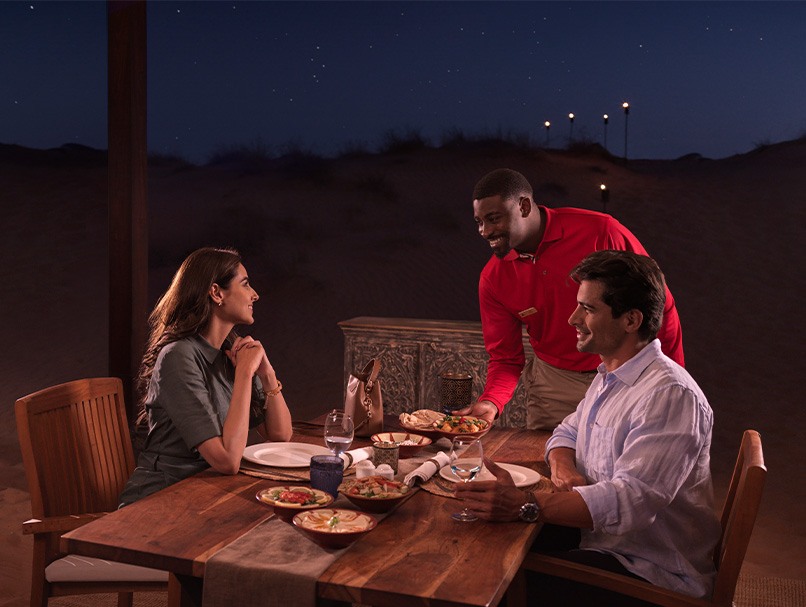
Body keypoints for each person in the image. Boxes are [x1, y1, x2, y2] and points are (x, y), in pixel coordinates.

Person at [455, 250, 719, 603]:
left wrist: (525, 504)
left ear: (631, 320)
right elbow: (566, 431)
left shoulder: (670, 395)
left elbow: (631, 502)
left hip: (651, 574)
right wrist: (564, 470)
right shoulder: (612, 373)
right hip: (601, 541)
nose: (572, 318)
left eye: (588, 309)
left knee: (489, 584)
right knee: (482, 543)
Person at [458, 168, 684, 430]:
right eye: (479, 222)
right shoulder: (493, 278)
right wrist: (492, 402)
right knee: (548, 467)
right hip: (553, 388)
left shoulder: (602, 232)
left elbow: (661, 308)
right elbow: (505, 358)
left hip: (625, 377)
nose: (485, 231)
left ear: (523, 205)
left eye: (493, 218)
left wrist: (672, 380)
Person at [119, 247, 293, 506]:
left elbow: (280, 435)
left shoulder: (228, 352)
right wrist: (245, 373)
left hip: (210, 493)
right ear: (216, 293)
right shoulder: (178, 357)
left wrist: (267, 374)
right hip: (160, 499)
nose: (255, 295)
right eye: (245, 284)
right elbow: (227, 460)